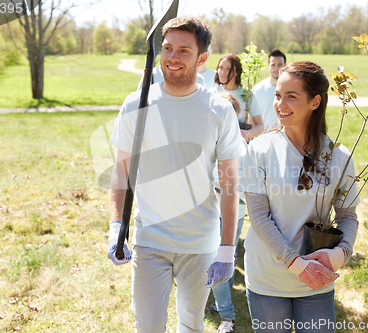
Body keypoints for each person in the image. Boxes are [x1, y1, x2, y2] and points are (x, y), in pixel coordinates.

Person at [107, 17, 246, 333]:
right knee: (149, 326)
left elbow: (229, 184)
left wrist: (227, 248)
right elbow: (121, 172)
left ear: (201, 59)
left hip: (200, 243)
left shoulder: (219, 111)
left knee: (191, 326)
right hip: (150, 239)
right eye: (167, 48)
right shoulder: (137, 103)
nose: (172, 57)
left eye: (184, 50)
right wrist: (116, 225)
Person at [240, 61, 360, 333]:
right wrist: (296, 264)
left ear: (315, 102)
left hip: (317, 280)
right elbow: (258, 216)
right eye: (278, 95)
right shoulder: (259, 150)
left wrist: (340, 255)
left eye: (291, 96)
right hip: (267, 279)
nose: (280, 104)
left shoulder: (339, 157)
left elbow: (347, 216)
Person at [210, 92, 247, 333]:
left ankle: (227, 316)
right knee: (227, 256)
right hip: (218, 209)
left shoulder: (238, 144)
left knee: (219, 258)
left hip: (230, 210)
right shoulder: (212, 138)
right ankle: (221, 301)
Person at [209, 53, 264, 142]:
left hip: (239, 145)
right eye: (221, 67)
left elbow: (260, 126)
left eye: (228, 69)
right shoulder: (211, 93)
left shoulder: (247, 95)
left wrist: (247, 133)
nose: (223, 72)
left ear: (236, 72)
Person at [252, 49, 286, 133]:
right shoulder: (258, 90)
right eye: (273, 65)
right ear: (268, 66)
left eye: (280, 64)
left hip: (286, 138)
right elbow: (252, 118)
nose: (277, 68)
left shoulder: (291, 90)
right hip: (263, 138)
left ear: (285, 66)